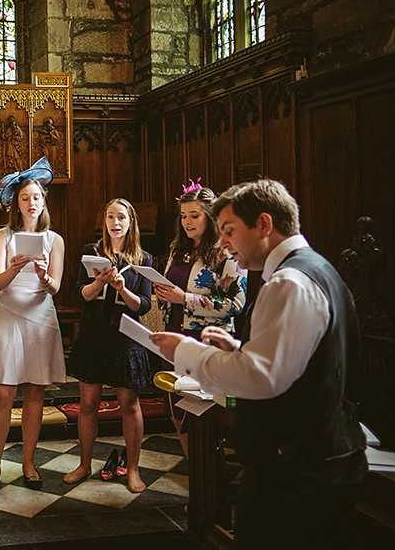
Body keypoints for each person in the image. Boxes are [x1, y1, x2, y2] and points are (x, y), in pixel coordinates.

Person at [151, 179, 368, 550]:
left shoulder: (289, 282)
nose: (224, 243)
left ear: (264, 225)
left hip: (297, 474)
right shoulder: (314, 269)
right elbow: (296, 357)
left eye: (230, 230)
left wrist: (185, 352)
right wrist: (238, 347)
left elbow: (262, 377)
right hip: (315, 464)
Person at [0, 157, 65, 493]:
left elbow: (56, 287)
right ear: (16, 202)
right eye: (26, 197)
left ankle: (29, 462)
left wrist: (44, 275)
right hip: (9, 313)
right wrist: (16, 268)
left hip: (41, 315)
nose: (32, 203)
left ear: (43, 202)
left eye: (37, 198)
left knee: (35, 391)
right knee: (3, 392)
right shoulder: (4, 236)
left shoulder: (54, 239)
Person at [63, 198, 154, 493]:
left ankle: (133, 469)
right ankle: (84, 464)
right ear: (104, 221)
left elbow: (143, 305)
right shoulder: (91, 253)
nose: (115, 223)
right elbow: (82, 295)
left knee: (129, 403)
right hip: (93, 334)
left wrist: (122, 288)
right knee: (88, 403)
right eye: (110, 217)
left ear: (131, 223)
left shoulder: (143, 259)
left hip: (124, 337)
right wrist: (100, 283)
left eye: (121, 218)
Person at [153, 180, 246, 457]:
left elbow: (235, 304)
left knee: (204, 414)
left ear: (211, 216)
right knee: (176, 410)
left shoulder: (227, 252)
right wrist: (161, 292)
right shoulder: (178, 249)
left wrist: (185, 299)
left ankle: (210, 481)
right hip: (174, 336)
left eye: (195, 215)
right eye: (183, 216)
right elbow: (173, 291)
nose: (187, 222)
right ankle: (197, 474)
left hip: (206, 341)